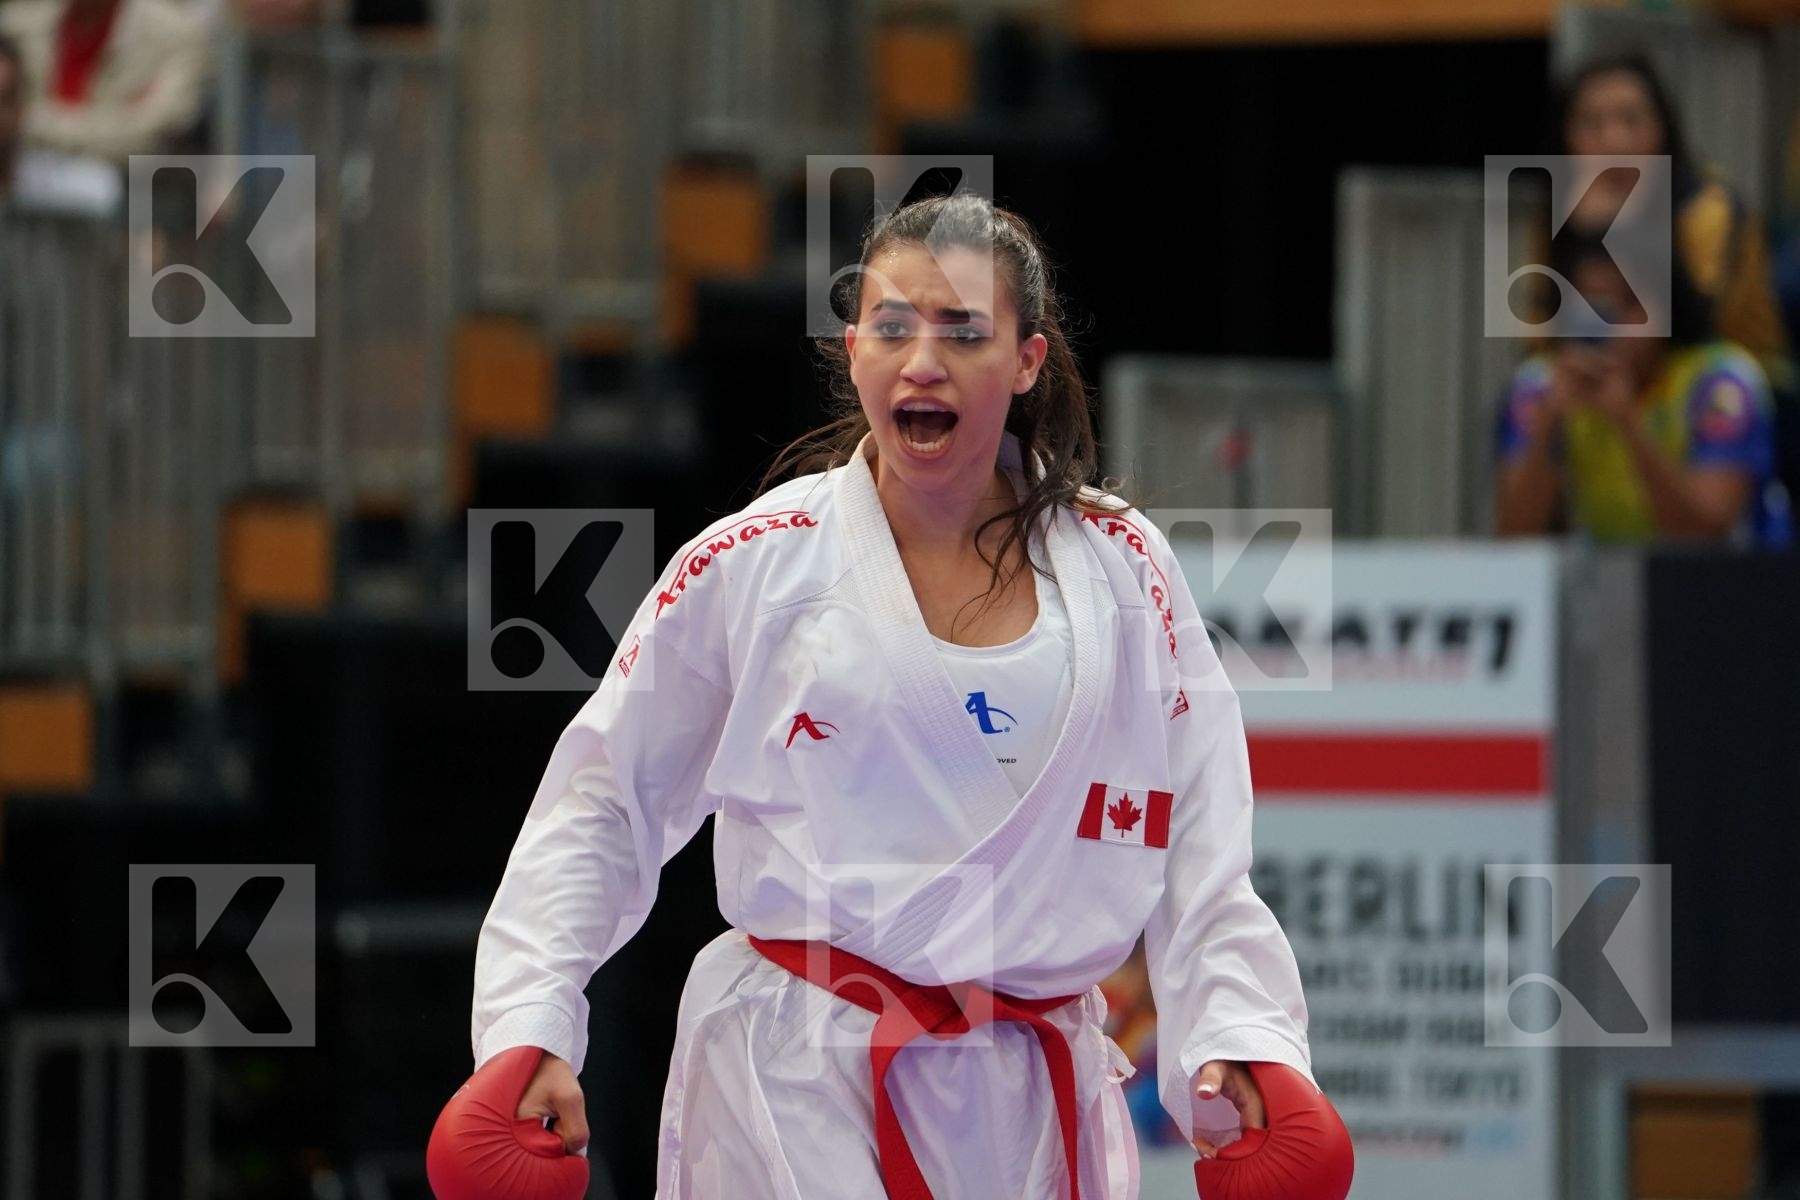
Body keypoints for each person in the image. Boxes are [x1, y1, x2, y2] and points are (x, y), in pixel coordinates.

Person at [452, 192, 1342, 1199]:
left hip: (1032, 1098)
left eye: (964, 331)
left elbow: (1200, 841)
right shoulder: (759, 565)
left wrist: (1242, 1036)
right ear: (853, 351)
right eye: (892, 328)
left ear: (1026, 362)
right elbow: (602, 804)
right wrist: (528, 1022)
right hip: (798, 1075)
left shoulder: (1124, 566)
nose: (923, 360)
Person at [1495, 246, 1782, 543]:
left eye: (1630, 305)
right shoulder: (1542, 387)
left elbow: (1706, 535)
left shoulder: (1721, 384)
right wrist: (1549, 424)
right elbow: (1514, 539)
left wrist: (1628, 422)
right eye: (1593, 308)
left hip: (1736, 581)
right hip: (1611, 581)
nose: (1612, 326)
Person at [1543, 53, 1793, 394]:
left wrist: (1621, 229)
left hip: (1731, 388)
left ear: (1662, 126)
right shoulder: (1566, 207)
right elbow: (1546, 325)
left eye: (1632, 120)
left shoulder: (1708, 205)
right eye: (1593, 124)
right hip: (1619, 384)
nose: (1615, 141)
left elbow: (1698, 328)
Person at [0, 0, 211, 163]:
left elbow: (154, 135)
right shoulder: (16, 24)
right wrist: (119, 118)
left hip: (133, 198)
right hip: (16, 187)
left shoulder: (176, 35)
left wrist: (28, 121)